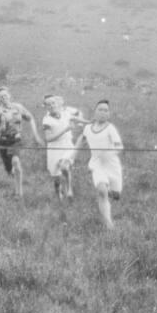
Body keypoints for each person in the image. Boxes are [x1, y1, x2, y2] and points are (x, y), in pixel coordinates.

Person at [74, 100, 123, 229]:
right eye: (100, 109)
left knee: (116, 195)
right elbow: (82, 139)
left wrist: (109, 152)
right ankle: (109, 224)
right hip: (97, 164)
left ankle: (113, 191)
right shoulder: (87, 128)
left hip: (111, 165)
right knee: (102, 191)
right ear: (95, 112)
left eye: (105, 110)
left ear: (109, 114)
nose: (102, 113)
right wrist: (71, 156)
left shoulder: (110, 128)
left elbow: (119, 146)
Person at [0, 86, 43, 198]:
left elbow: (30, 118)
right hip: (2, 141)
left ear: (10, 95)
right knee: (9, 169)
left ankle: (19, 193)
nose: (4, 98)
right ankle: (13, 173)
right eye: (0, 97)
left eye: (5, 95)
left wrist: (36, 135)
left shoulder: (18, 107)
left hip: (15, 139)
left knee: (16, 162)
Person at [41, 95, 88, 200]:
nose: (51, 106)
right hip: (54, 148)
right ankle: (58, 193)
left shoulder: (65, 113)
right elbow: (48, 139)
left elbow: (76, 118)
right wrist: (65, 130)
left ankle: (69, 189)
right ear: (46, 107)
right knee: (56, 178)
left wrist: (90, 122)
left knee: (64, 167)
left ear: (57, 104)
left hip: (67, 145)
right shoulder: (46, 120)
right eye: (48, 104)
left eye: (53, 103)